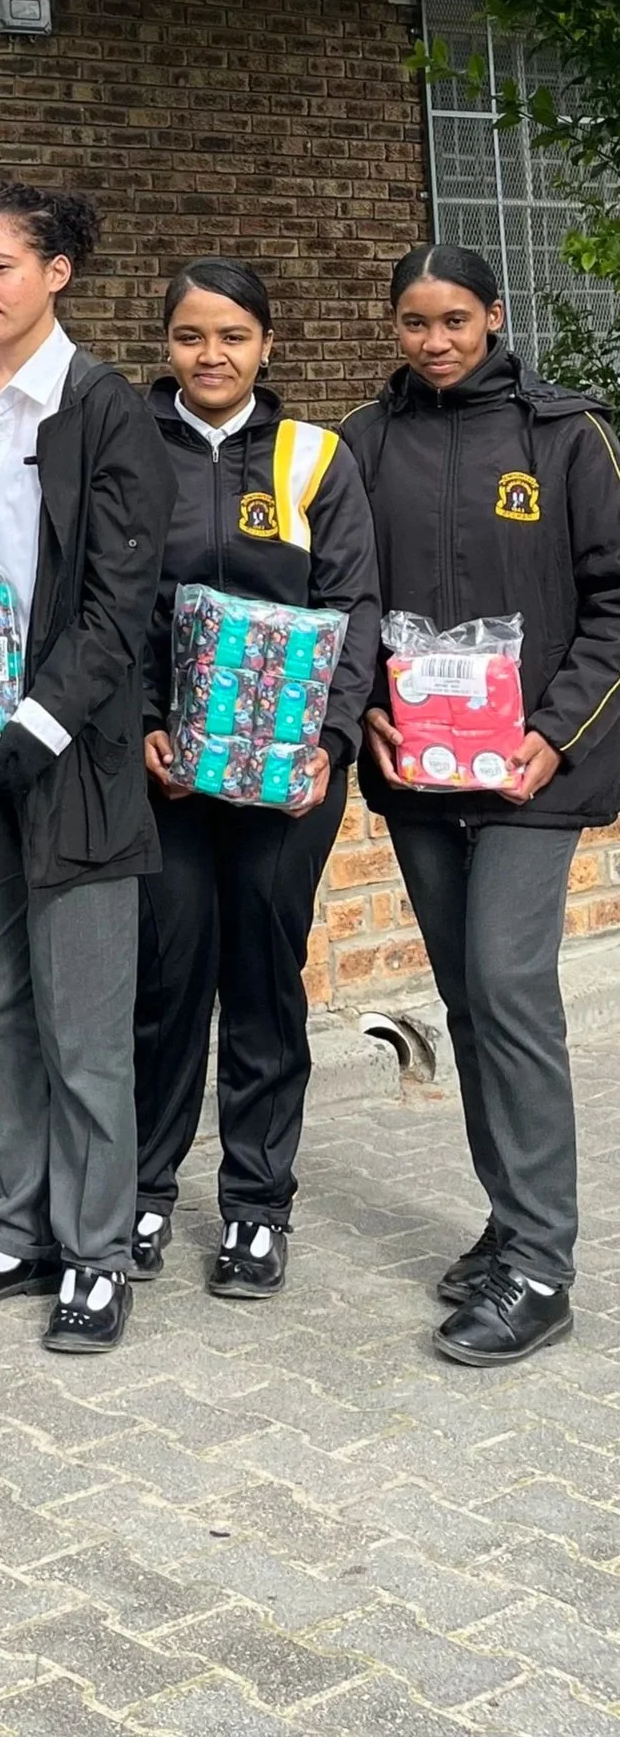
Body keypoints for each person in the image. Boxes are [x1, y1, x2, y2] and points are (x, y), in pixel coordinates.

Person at [0, 182, 173, 1353]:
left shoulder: (103, 408)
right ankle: (15, 1222)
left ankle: (98, 1250)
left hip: (67, 758)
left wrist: (38, 721)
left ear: (55, 271)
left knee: (81, 1020)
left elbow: (120, 603)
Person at [341, 243, 620, 1366]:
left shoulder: (565, 435)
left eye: (453, 319)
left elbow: (612, 603)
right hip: (418, 776)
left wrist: (550, 737)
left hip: (524, 777)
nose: (433, 340)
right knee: (462, 997)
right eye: (412, 322)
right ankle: (507, 1220)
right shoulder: (363, 441)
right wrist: (362, 701)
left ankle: (543, 1266)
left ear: (492, 315)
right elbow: (343, 595)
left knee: (508, 985)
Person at [132, 259, 380, 1298]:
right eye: (190, 336)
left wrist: (325, 740)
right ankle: (141, 1188)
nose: (210, 355)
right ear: (167, 345)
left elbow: (353, 602)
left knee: (263, 982)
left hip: (287, 783)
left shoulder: (313, 456)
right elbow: (112, 600)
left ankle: (254, 1205)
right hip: (167, 780)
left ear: (264, 344)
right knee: (165, 975)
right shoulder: (130, 449)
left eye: (231, 335)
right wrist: (145, 724)